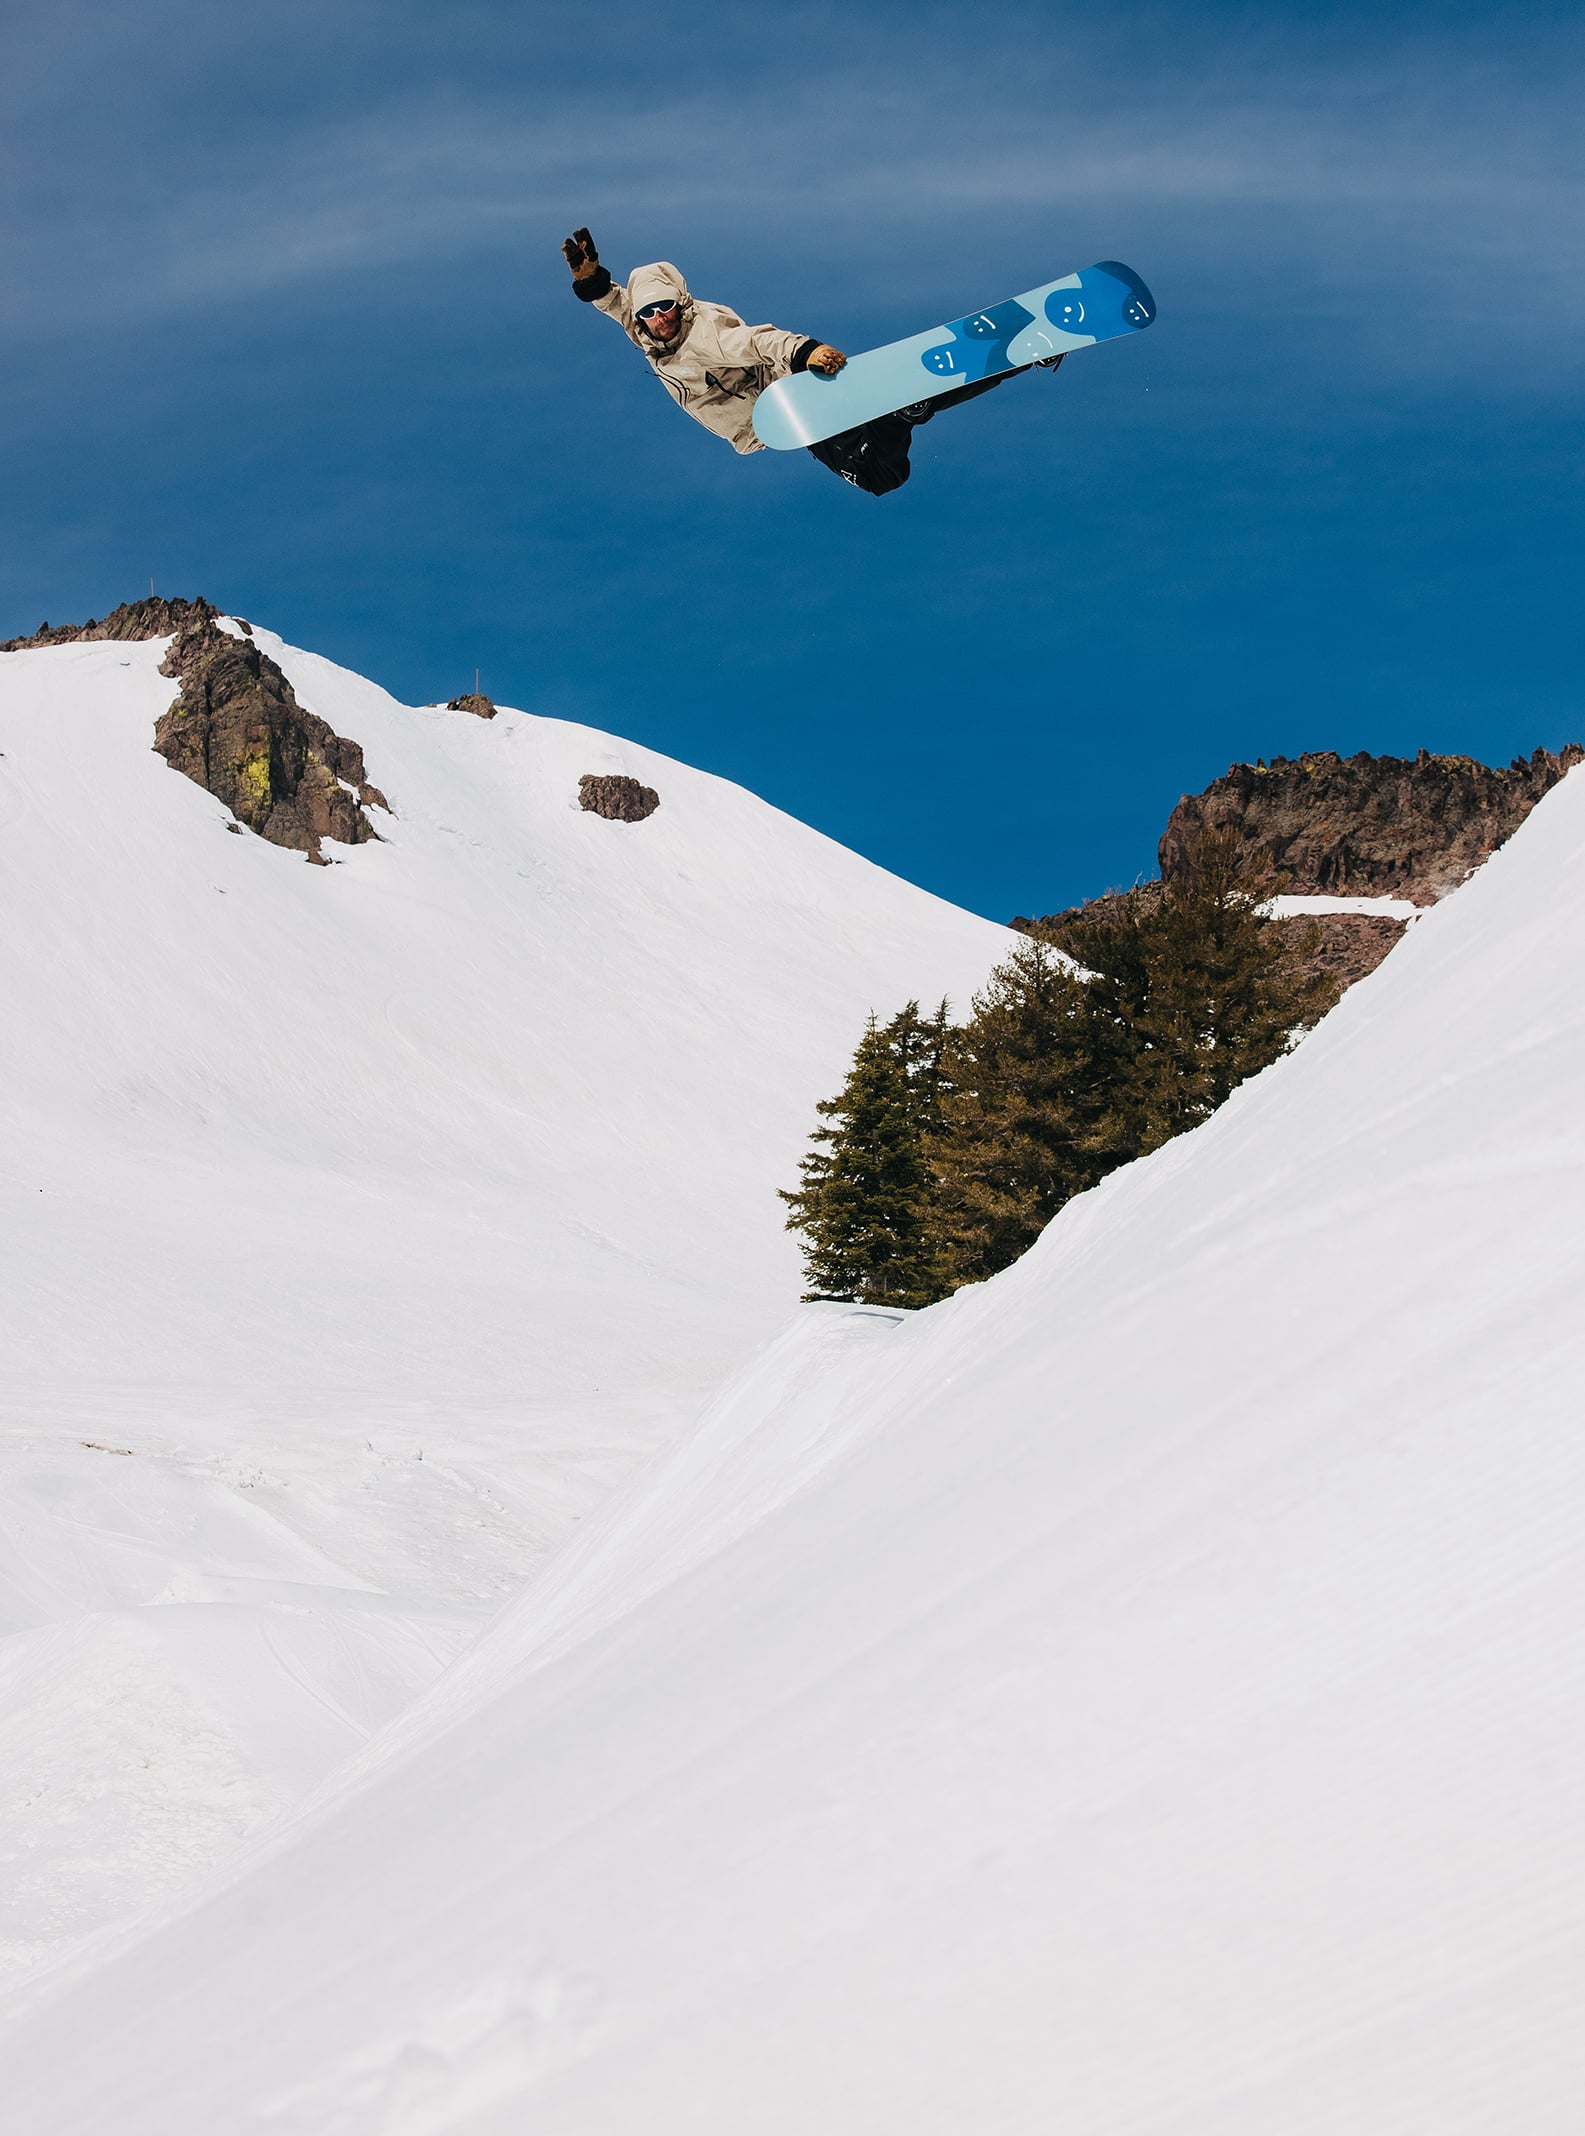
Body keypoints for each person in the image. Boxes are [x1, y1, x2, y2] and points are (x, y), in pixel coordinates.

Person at [560, 228, 1057, 496]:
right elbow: (621, 305)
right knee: (886, 475)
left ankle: (905, 413)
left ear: (681, 301)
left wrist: (805, 351)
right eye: (649, 314)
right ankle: (916, 404)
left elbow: (755, 341)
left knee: (880, 475)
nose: (660, 319)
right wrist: (593, 283)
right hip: (780, 417)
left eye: (666, 307)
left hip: (790, 397)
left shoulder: (700, 332)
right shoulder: (646, 331)